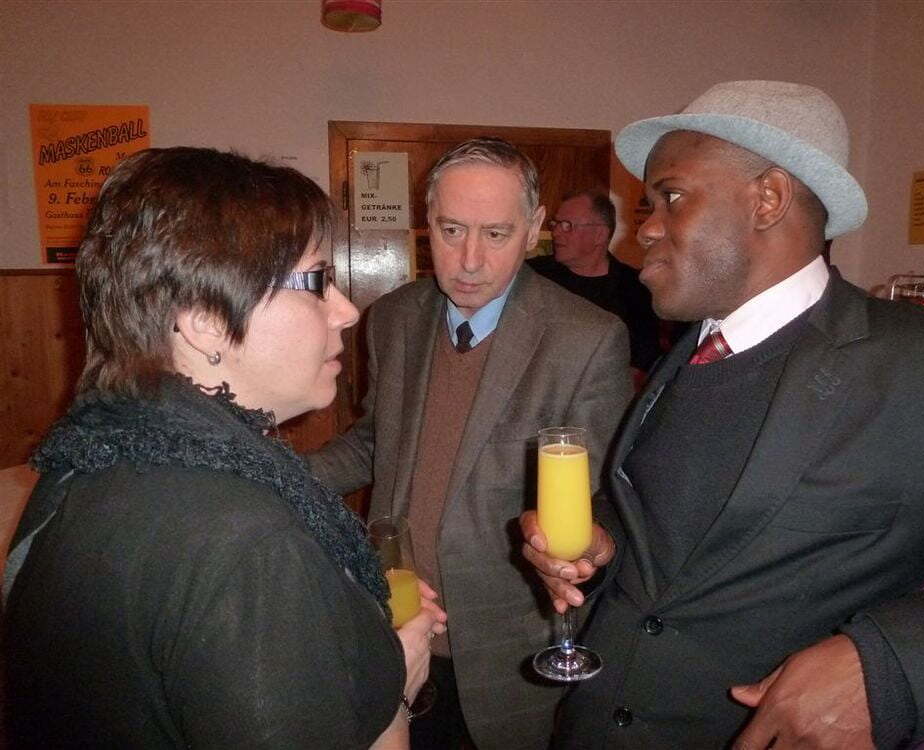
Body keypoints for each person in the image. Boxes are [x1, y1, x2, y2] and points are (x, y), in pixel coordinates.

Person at [521, 80, 924, 748]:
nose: (645, 229)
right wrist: (602, 542)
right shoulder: (693, 349)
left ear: (768, 198)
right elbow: (671, 523)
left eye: (671, 197)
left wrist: (889, 669)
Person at [3, 147, 446, 749]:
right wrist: (392, 686)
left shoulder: (89, 456)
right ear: (206, 319)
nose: (345, 311)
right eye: (317, 281)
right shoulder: (248, 539)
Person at [309, 138, 633, 750]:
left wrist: (590, 550)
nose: (469, 260)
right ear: (426, 220)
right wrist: (269, 471)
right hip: (398, 623)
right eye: (451, 229)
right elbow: (376, 442)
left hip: (508, 650)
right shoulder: (394, 317)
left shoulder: (587, 339)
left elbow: (600, 498)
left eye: (496, 234)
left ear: (534, 228)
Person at [528, 189, 662, 372]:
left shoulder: (636, 291)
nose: (556, 232)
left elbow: (643, 364)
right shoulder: (533, 275)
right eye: (555, 224)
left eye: (567, 225)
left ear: (600, 235)